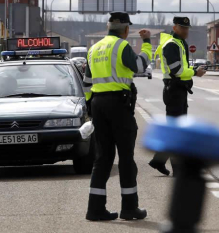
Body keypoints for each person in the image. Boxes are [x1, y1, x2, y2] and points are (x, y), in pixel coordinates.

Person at [83, 12, 152, 221]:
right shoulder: (121, 46)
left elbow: (87, 83)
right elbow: (140, 66)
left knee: (102, 158)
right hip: (118, 105)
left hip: (98, 104)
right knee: (126, 158)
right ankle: (129, 208)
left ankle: (95, 209)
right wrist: (147, 43)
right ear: (126, 29)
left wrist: (90, 108)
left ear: (108, 27)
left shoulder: (94, 49)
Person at [148, 17, 206, 176]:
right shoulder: (171, 45)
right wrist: (195, 72)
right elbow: (177, 70)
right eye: (183, 27)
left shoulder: (180, 43)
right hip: (174, 90)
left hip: (179, 90)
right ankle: (177, 169)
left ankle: (159, 160)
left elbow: (182, 68)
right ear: (175, 27)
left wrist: (193, 70)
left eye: (187, 28)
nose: (186, 31)